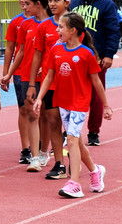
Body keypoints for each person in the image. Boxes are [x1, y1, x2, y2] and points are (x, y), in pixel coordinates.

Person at [33, 11, 111, 197]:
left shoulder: (86, 53)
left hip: (79, 103)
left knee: (73, 141)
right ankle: (95, 171)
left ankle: (74, 183)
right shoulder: (56, 50)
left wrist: (106, 105)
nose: (57, 30)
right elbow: (49, 75)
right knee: (74, 139)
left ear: (73, 30)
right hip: (63, 102)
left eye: (61, 27)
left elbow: (96, 81)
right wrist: (39, 98)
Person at [68, 0, 120, 146]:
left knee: (96, 96)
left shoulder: (106, 4)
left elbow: (114, 31)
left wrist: (109, 54)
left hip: (96, 58)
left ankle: (93, 132)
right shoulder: (74, 3)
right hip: (74, 57)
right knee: (72, 93)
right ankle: (70, 130)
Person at [27, 0, 69, 178]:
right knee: (53, 122)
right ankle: (59, 163)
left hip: (69, 83)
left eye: (56, 0)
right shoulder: (43, 26)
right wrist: (31, 82)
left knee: (71, 127)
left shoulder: (75, 23)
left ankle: (77, 161)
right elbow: (37, 56)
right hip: (50, 83)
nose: (52, 4)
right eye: (50, 0)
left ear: (66, 3)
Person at [0, 0, 37, 164]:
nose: (21, 1)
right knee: (23, 109)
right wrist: (6, 73)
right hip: (20, 72)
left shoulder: (46, 22)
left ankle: (41, 146)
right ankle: (25, 148)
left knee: (39, 112)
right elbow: (10, 50)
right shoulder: (16, 22)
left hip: (39, 74)